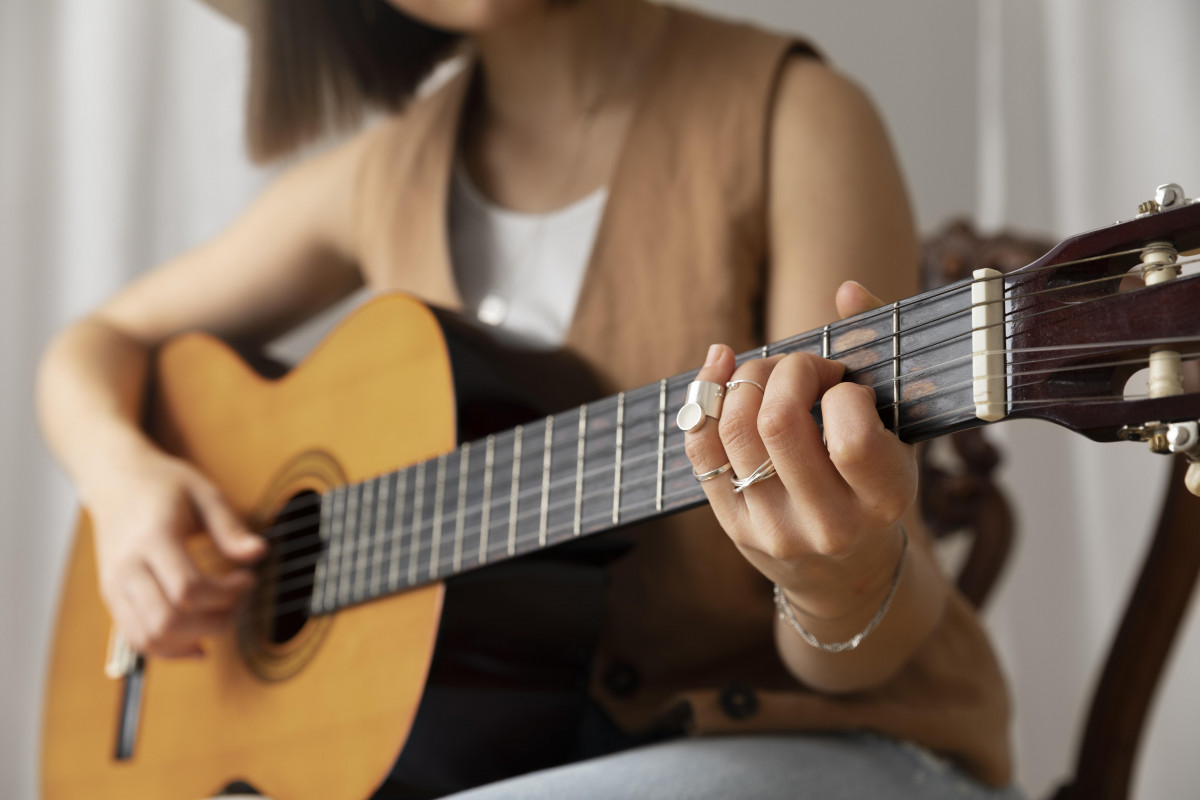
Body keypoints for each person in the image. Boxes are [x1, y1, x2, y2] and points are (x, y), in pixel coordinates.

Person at [36, 0, 1024, 797]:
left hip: (839, 741)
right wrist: (125, 486)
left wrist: (837, 568)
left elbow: (872, 652)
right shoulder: (375, 177)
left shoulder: (792, 118)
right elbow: (90, 347)